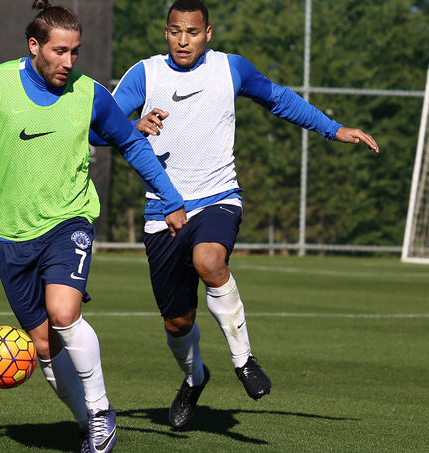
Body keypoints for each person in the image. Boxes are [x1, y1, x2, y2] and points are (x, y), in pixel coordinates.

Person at [90, 0, 379, 430]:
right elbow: (100, 128)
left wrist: (333, 128)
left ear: (208, 33)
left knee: (210, 261)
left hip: (218, 197)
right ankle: (194, 378)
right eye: (175, 31)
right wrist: (133, 127)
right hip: (163, 211)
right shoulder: (144, 74)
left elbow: (279, 99)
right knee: (177, 322)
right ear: (166, 32)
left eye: (192, 32)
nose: (183, 40)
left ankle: (244, 360)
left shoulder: (230, 68)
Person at [0, 1, 187, 451]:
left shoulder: (90, 93)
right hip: (9, 232)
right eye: (59, 51)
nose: (69, 61)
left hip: (69, 219)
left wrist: (170, 197)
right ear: (34, 45)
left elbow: (130, 142)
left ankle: (101, 412)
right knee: (45, 346)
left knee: (64, 315)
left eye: (75, 52)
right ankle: (86, 421)